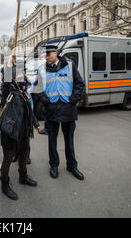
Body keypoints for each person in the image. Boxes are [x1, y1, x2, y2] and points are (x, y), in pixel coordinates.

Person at [35, 45, 85, 180]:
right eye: (44, 56)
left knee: (69, 140)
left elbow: (79, 84)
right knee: (52, 140)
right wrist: (46, 101)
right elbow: (38, 88)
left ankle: (72, 166)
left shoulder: (70, 65)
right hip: (51, 110)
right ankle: (54, 165)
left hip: (68, 109)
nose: (46, 57)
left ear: (55, 53)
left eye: (48, 55)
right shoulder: (42, 69)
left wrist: (73, 100)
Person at [0, 55, 41, 200]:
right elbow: (5, 83)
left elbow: (29, 110)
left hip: (23, 131)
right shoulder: (7, 91)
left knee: (23, 153)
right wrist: (9, 65)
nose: (23, 75)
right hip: (10, 131)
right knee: (8, 158)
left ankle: (23, 176)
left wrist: (36, 124)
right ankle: (4, 185)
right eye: (20, 73)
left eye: (24, 72)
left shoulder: (23, 93)